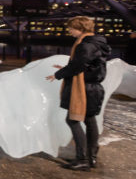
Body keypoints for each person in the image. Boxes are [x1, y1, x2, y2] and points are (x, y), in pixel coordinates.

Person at [46, 16, 110, 170]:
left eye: (71, 28)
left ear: (80, 28)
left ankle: (82, 159)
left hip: (84, 89)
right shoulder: (97, 43)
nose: (69, 31)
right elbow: (87, 64)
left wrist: (58, 74)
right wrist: (65, 67)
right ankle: (91, 157)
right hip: (92, 87)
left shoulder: (85, 45)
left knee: (73, 120)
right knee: (89, 121)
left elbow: (79, 66)